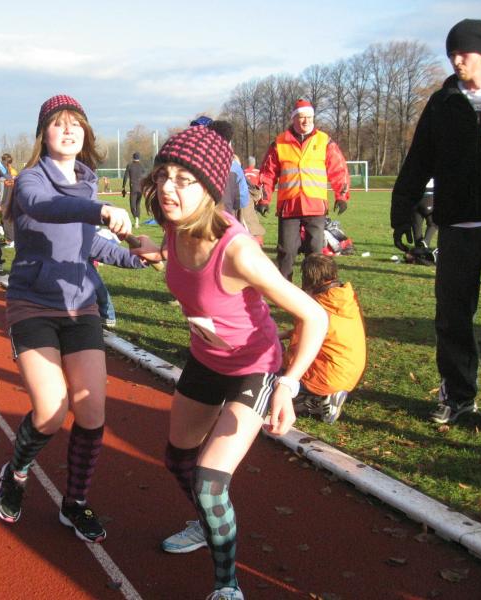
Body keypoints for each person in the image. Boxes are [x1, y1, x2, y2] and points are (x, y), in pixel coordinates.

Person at [131, 124, 327, 600]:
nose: (168, 188)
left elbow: (315, 316)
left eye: (184, 180)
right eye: (164, 175)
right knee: (178, 459)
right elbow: (182, 264)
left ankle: (227, 587)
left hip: (254, 367)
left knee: (209, 481)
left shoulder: (238, 252)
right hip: (206, 358)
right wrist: (151, 251)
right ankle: (207, 523)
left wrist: (288, 385)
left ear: (209, 187)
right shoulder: (175, 225)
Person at [0, 94, 144, 544]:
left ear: (86, 133)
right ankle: (17, 471)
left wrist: (136, 256)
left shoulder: (87, 183)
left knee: (92, 412)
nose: (68, 130)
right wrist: (100, 210)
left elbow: (87, 243)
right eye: (58, 124)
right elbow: (46, 208)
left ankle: (74, 503)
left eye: (75, 123)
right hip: (33, 305)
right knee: (51, 410)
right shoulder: (29, 181)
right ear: (43, 134)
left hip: (80, 308)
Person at [391, 18, 481, 428]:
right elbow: (418, 159)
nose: (457, 61)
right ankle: (458, 397)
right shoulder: (442, 104)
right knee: (452, 316)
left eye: (464, 53)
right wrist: (401, 210)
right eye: (452, 54)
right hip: (456, 227)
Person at [259, 98, 351, 281]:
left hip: (315, 206)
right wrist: (264, 199)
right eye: (301, 117)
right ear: (293, 118)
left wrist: (341, 196)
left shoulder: (325, 141)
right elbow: (267, 174)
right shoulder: (279, 143)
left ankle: (314, 289)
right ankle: (284, 290)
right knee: (286, 251)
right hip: (289, 207)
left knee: (316, 253)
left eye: (309, 117)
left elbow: (339, 170)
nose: (306, 120)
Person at [283, 253, 366, 424]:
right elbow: (331, 332)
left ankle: (317, 401)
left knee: (273, 385)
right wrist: (285, 334)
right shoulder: (345, 298)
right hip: (349, 371)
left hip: (327, 376)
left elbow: (297, 350)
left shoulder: (312, 309)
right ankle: (325, 394)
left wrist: (280, 363)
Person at [241, 156, 265, 244]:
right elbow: (261, 184)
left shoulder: (243, 171)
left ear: (248, 163)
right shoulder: (258, 172)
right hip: (255, 195)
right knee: (253, 215)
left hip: (245, 195)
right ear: (254, 163)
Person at [0, 153, 18, 247]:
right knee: (6, 220)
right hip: (8, 199)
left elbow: (5, 188)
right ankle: (9, 239)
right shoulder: (9, 171)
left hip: (7, 199)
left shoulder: (9, 172)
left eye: (4, 160)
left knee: (7, 219)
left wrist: (0, 202)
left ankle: (10, 240)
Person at [122, 151, 145, 227]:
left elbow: (125, 177)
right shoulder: (141, 166)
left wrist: (123, 187)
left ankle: (136, 219)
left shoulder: (130, 165)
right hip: (140, 188)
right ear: (139, 158)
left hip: (133, 188)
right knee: (138, 205)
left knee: (132, 206)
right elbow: (144, 176)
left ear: (133, 157)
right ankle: (137, 221)